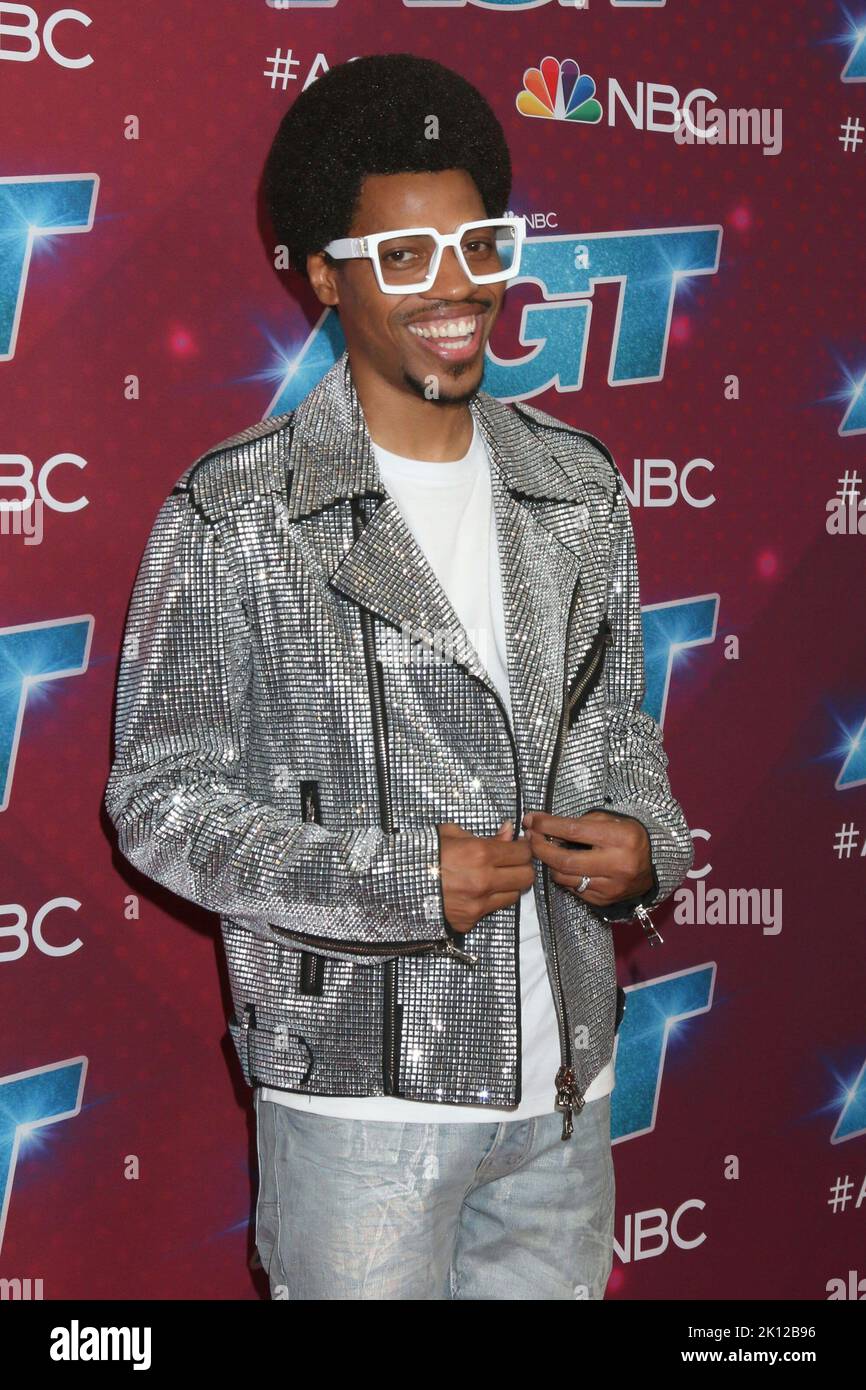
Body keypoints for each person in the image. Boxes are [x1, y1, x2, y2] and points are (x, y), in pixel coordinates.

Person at [105, 52, 694, 1301]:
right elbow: (157, 801)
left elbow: (623, 740)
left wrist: (650, 841)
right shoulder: (235, 512)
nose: (455, 290)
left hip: (564, 1088)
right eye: (403, 258)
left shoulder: (577, 487)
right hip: (356, 1106)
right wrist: (393, 880)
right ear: (323, 275)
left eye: (474, 244)